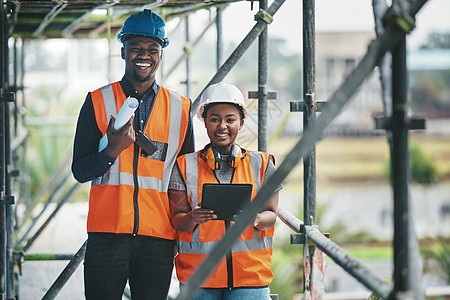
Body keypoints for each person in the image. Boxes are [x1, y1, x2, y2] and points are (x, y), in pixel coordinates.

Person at [71, 9, 195, 300]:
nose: (144, 55)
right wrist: (111, 151)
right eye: (136, 48)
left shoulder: (181, 109)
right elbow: (80, 170)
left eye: (153, 49)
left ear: (161, 54)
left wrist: (181, 230)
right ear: (123, 50)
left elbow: (185, 177)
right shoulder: (97, 101)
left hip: (158, 238)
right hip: (107, 234)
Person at [168, 82, 281, 299]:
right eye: (214, 119)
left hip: (250, 280)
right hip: (198, 280)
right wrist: (193, 217)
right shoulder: (183, 165)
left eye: (230, 119)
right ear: (205, 122)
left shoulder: (262, 164)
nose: (222, 126)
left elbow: (272, 216)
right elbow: (177, 221)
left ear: (241, 122)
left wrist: (255, 218)